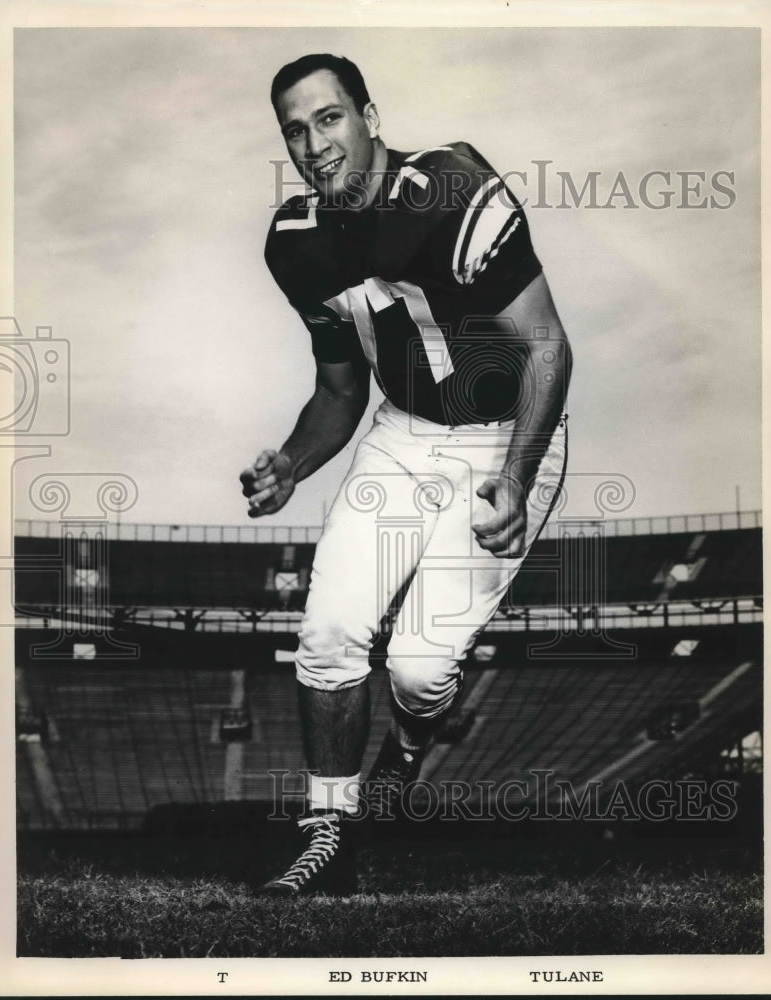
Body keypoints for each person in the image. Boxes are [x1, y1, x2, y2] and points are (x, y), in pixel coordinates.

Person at [240, 53, 571, 895]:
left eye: (330, 118)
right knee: (327, 632)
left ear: (369, 115)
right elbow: (340, 388)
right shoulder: (297, 242)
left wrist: (519, 474)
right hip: (401, 435)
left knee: (420, 671)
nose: (314, 144)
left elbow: (545, 346)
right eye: (295, 129)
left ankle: (411, 748)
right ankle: (328, 831)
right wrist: (290, 462)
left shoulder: (452, 189)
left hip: (502, 438)